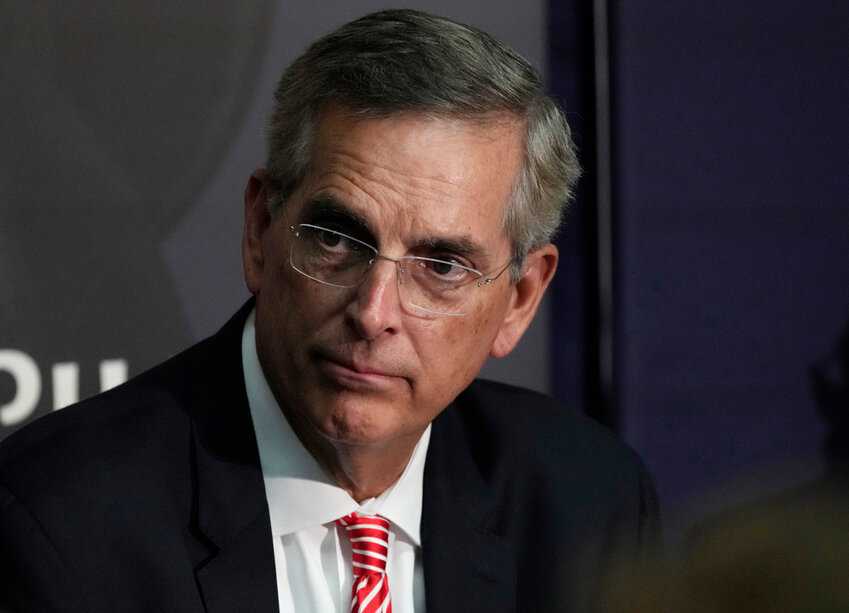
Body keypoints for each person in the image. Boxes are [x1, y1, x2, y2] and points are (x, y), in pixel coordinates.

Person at [0, 9, 660, 612]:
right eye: (336, 239)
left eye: (440, 267)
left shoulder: (588, 503)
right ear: (260, 230)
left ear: (518, 299)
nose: (374, 313)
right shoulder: (57, 521)